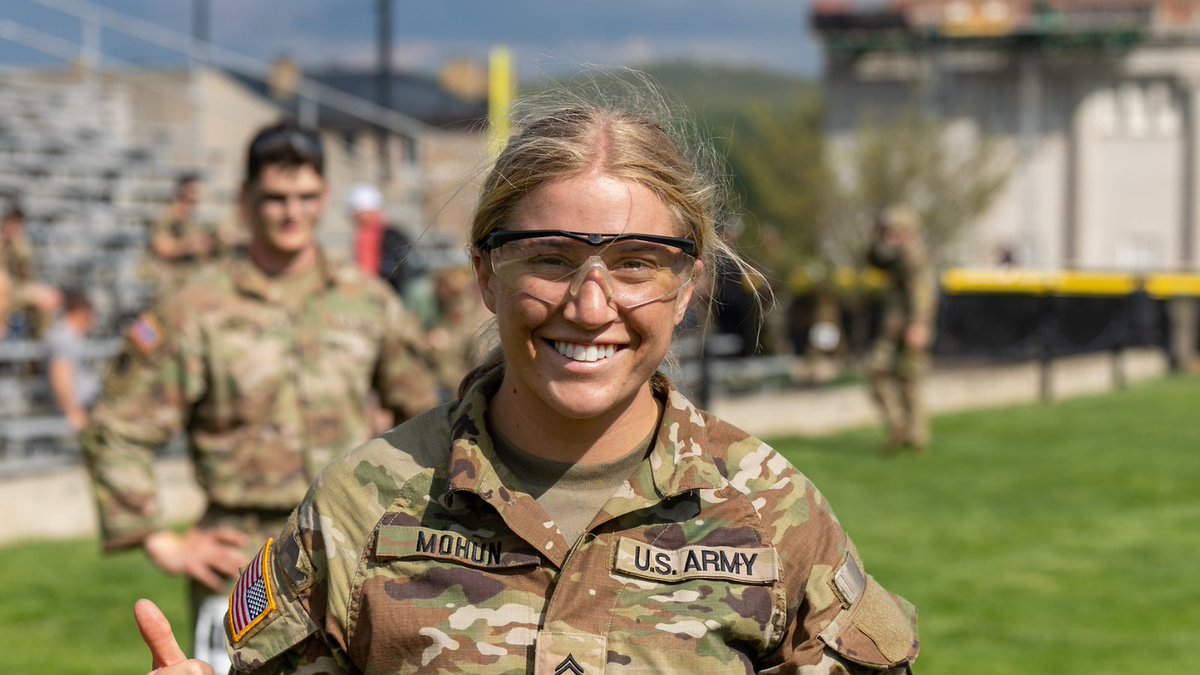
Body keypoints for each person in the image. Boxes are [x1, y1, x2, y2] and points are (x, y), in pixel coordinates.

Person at [138, 91, 919, 673]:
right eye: (548, 257)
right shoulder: (361, 508)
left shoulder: (774, 515)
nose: (589, 305)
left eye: (636, 263)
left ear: (687, 287)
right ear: (486, 273)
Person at [84, 120, 440, 672]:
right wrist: (158, 537)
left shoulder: (367, 300)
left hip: (350, 546)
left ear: (324, 198)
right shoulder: (197, 307)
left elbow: (428, 419)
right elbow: (117, 426)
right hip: (241, 561)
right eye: (275, 197)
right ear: (246, 198)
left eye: (305, 197)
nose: (291, 212)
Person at [864, 205, 938, 453]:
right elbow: (875, 259)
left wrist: (919, 324)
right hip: (894, 327)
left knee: (910, 379)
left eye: (894, 230)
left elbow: (923, 292)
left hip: (910, 327)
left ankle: (916, 435)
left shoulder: (914, 256)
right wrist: (875, 236)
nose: (889, 235)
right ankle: (900, 426)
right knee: (878, 372)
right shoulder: (897, 255)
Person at [149, 173, 222, 293]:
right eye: (194, 190)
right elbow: (162, 247)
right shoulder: (169, 217)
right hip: (168, 284)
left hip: (189, 281)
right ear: (184, 191)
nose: (199, 194)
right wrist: (189, 245)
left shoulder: (192, 220)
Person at [348, 182, 422, 298]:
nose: (353, 216)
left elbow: (367, 271)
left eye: (356, 212)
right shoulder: (392, 232)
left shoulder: (372, 233)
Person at [45, 288, 101, 432]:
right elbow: (60, 377)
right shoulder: (64, 338)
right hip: (75, 411)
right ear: (82, 312)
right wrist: (73, 412)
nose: (93, 320)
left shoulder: (70, 336)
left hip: (85, 407)